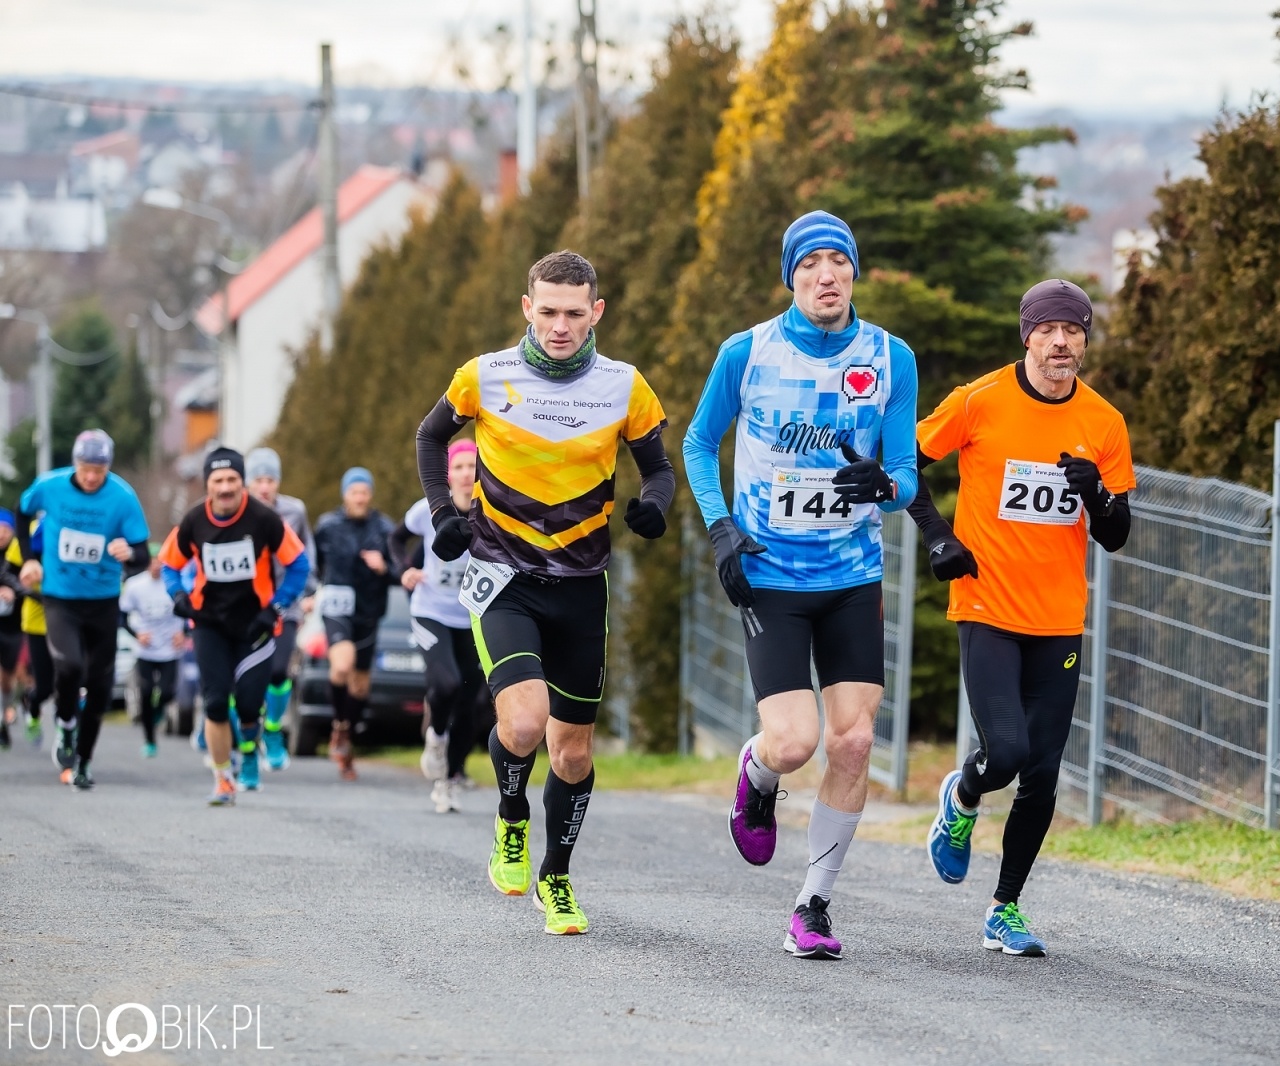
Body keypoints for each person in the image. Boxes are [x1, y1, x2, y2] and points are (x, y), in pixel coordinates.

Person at [415, 249, 674, 935]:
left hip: (582, 589)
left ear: (596, 313)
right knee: (523, 723)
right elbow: (430, 434)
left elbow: (658, 469)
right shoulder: (486, 375)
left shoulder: (625, 386)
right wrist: (446, 511)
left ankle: (555, 879)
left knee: (572, 752)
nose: (561, 326)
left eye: (574, 313)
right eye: (549, 312)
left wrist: (654, 504)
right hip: (503, 578)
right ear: (529, 309)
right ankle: (509, 816)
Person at [681, 211, 918, 959]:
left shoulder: (890, 358)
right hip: (771, 576)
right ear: (792, 276)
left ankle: (812, 905)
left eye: (838, 263)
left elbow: (908, 477)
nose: (826, 276)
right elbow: (696, 442)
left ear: (854, 273)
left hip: (852, 575)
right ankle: (756, 776)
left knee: (851, 743)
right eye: (811, 263)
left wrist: (884, 483)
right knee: (793, 742)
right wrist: (720, 526)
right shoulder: (747, 353)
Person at [914, 279, 1135, 956]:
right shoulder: (979, 402)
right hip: (987, 604)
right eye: (1049, 330)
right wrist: (938, 539)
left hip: (1059, 617)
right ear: (1028, 336)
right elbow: (907, 466)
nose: (1061, 343)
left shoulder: (1103, 423)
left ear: (1085, 341)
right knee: (1004, 753)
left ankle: (1003, 908)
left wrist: (1095, 493)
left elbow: (1118, 532)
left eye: (1074, 331)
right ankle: (964, 795)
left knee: (1042, 771)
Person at [159, 447, 309, 805]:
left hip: (254, 625)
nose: (225, 487)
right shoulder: (194, 521)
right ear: (207, 484)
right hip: (209, 623)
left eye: (232, 480)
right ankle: (223, 776)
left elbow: (298, 565)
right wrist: (178, 597)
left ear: (242, 482)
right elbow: (169, 565)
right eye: (218, 481)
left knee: (247, 705)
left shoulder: (264, 519)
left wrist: (276, 607)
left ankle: (251, 754)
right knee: (214, 703)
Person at [17, 429, 151, 790]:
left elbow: (143, 555)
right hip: (60, 597)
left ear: (108, 467)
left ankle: (84, 762)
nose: (92, 477)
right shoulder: (51, 485)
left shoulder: (122, 497)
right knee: (70, 665)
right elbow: (21, 511)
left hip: (104, 601)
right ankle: (65, 725)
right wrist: (30, 560)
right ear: (75, 464)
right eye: (86, 468)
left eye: (100, 470)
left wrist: (130, 554)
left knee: (100, 688)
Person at [392, 439, 483, 813]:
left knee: (476, 702)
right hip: (431, 611)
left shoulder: (492, 512)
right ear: (448, 475)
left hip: (473, 615)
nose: (466, 474)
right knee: (445, 683)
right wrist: (405, 571)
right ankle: (436, 736)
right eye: (459, 467)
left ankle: (450, 777)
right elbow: (396, 539)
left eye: (472, 467)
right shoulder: (430, 509)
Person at [312, 467, 396, 781]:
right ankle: (339, 724)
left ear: (370, 494)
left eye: (364, 491)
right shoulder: (328, 525)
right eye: (354, 491)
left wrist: (383, 567)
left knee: (361, 684)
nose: (359, 497)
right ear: (345, 494)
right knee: (341, 665)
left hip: (369, 611)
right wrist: (312, 592)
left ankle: (346, 735)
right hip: (336, 606)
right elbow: (314, 563)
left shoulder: (385, 528)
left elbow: (401, 572)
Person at [245, 447, 317, 770]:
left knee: (278, 670)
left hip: (285, 602)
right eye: (258, 479)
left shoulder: (294, 511)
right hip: (246, 604)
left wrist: (308, 591)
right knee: (246, 676)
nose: (264, 486)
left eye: (270, 479)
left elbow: (306, 555)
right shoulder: (238, 512)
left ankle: (272, 730)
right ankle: (242, 737)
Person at [120, 554, 187, 757]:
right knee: (146, 692)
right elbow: (121, 616)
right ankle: (149, 740)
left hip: (170, 649)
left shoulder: (177, 582)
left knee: (167, 692)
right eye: (153, 561)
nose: (157, 566)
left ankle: (159, 712)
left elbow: (192, 609)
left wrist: (184, 632)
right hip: (146, 649)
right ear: (147, 563)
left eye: (161, 562)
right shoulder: (135, 585)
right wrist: (136, 634)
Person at [9, 518, 52, 749]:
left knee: (74, 679)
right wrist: (32, 593)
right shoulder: (31, 530)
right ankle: (32, 706)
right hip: (38, 622)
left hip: (74, 617)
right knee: (44, 687)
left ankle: (69, 731)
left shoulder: (85, 525)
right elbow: (8, 574)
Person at [0, 511, 29, 749]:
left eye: (5, 529)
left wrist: (13, 590)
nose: (1, 534)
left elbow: (30, 586)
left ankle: (5, 714)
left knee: (7, 680)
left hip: (15, 626)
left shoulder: (20, 556)